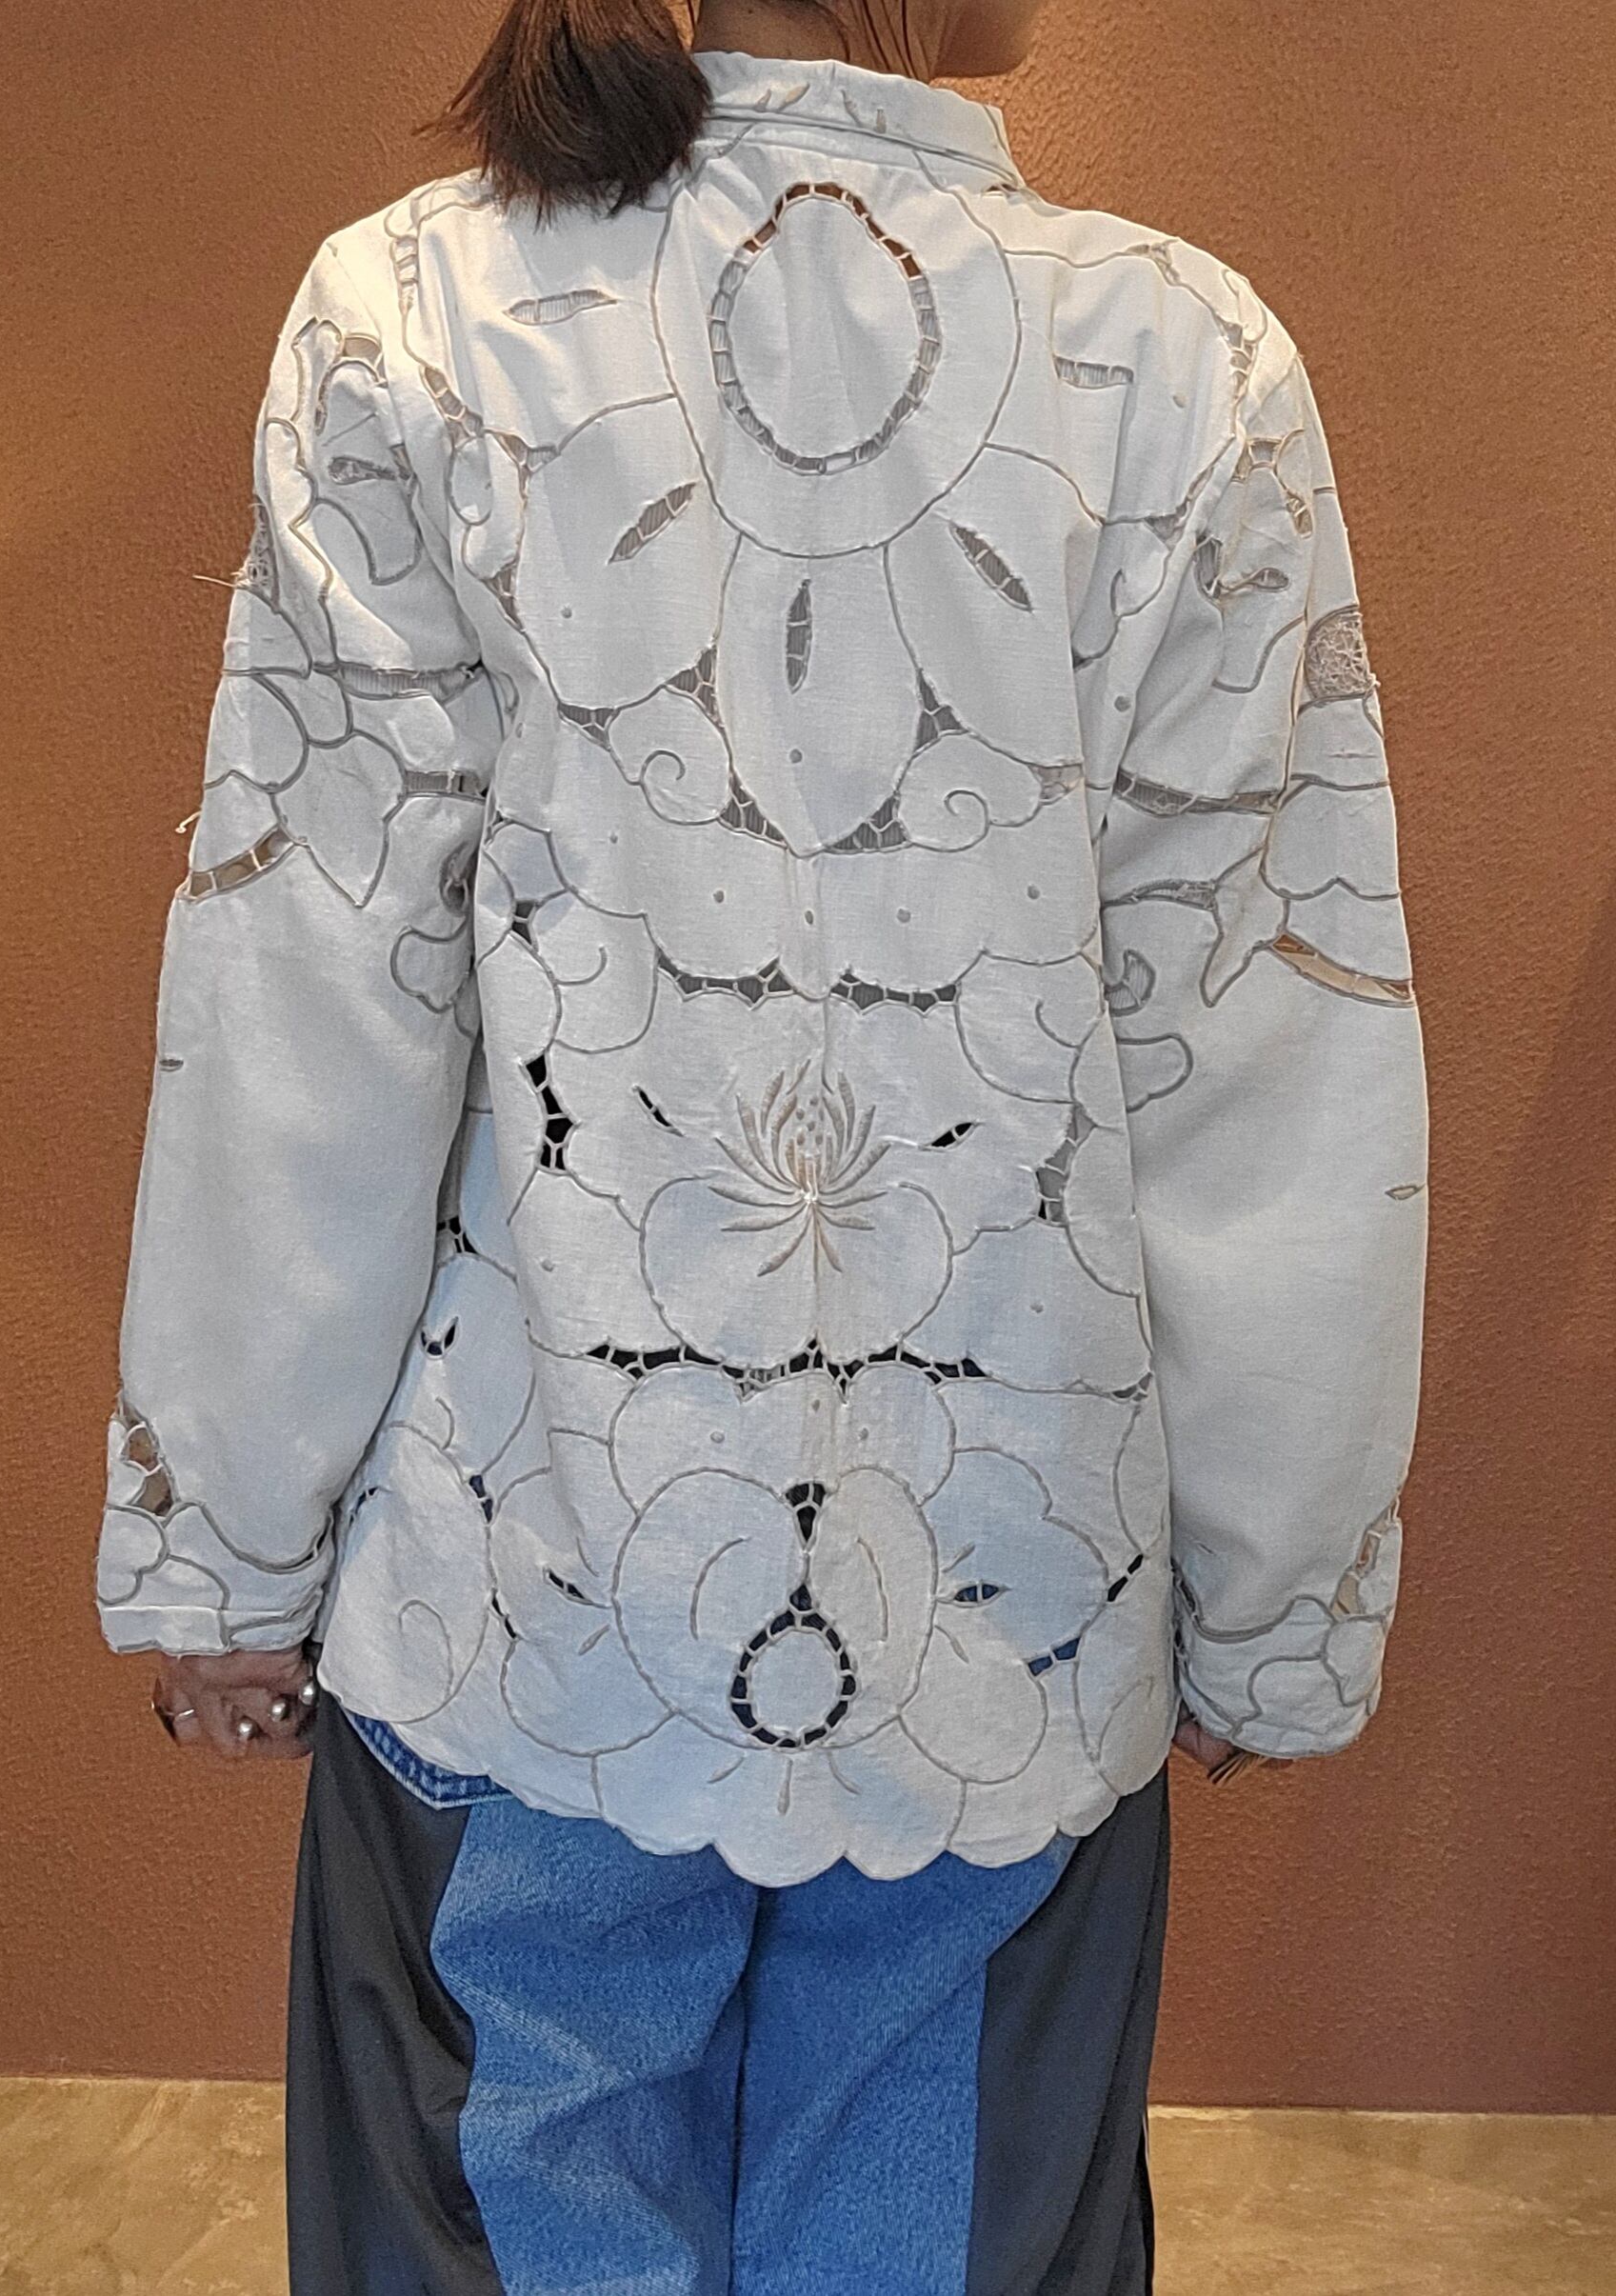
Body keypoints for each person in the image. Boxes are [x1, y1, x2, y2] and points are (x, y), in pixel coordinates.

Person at [95, 0, 1430, 2285]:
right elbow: (1264, 1051)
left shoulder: (413, 313)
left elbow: (312, 982)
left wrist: (225, 1540)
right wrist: (1275, 1590)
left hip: (533, 1587)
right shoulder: (1186, 365)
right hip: (1006, 1607)